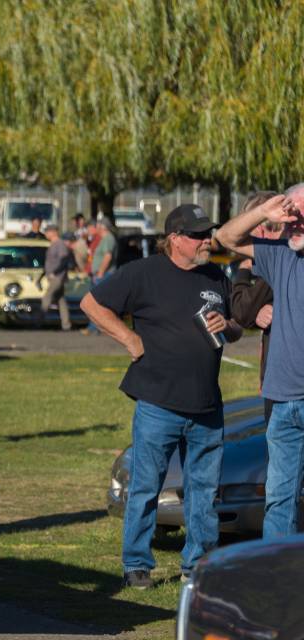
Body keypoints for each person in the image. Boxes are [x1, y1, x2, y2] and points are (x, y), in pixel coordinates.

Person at [82, 204, 243, 588]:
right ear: (174, 239)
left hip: (206, 404)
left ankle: (198, 564)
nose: (207, 241)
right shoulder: (143, 274)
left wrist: (231, 326)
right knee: (146, 485)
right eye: (198, 235)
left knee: (203, 491)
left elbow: (235, 327)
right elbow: (91, 304)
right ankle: (137, 563)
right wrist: (129, 338)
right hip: (159, 403)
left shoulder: (214, 276)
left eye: (208, 234)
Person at [216, 189, 304, 539]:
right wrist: (264, 211)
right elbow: (225, 237)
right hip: (282, 401)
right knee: (280, 500)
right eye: (290, 213)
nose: (293, 220)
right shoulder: (280, 255)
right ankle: (277, 579)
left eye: (300, 214)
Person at [227, 190, 282, 419]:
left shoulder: (278, 258)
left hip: (286, 387)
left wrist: (242, 271)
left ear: (259, 229)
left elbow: (242, 311)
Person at [40, 224, 74, 331]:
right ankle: (66, 324)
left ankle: (38, 321)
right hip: (53, 276)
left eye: (47, 231)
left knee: (47, 297)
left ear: (54, 232)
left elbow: (64, 260)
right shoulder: (53, 244)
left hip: (57, 277)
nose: (46, 233)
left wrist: (55, 272)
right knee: (60, 300)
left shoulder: (60, 244)